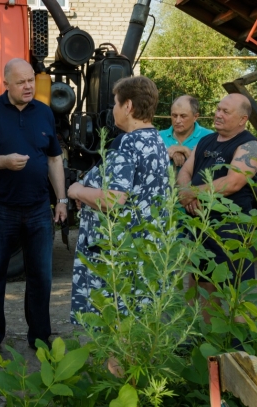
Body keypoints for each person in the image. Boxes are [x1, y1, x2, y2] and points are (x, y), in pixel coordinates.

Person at [0, 58, 67, 358]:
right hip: (1, 208)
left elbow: (54, 159)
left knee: (41, 276)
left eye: (31, 81)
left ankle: (39, 336)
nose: (28, 87)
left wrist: (61, 199)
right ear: (7, 84)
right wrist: (2, 162)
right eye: (22, 82)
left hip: (39, 208)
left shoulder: (44, 113)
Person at [68, 76, 170, 322]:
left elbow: (113, 199)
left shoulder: (126, 144)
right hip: (145, 251)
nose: (113, 109)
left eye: (115, 103)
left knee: (117, 329)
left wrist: (77, 190)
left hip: (120, 256)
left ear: (128, 106)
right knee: (138, 325)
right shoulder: (156, 140)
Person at [177, 93, 257, 323]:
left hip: (231, 231)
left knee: (237, 291)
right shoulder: (206, 141)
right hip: (201, 228)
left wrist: (191, 193)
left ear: (243, 118)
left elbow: (233, 182)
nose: (218, 114)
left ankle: (241, 349)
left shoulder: (249, 145)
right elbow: (185, 171)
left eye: (226, 111)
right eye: (218, 109)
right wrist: (187, 195)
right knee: (201, 286)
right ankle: (205, 341)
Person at [159, 95, 214, 168]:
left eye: (183, 116)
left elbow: (210, 166)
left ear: (195, 117)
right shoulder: (158, 137)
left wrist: (185, 150)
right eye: (174, 116)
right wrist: (166, 155)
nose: (177, 121)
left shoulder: (209, 137)